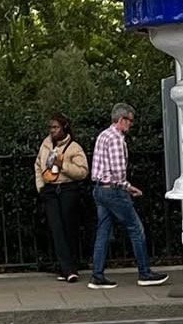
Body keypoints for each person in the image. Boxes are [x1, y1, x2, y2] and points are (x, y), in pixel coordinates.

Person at [88, 103, 168, 288]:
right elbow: (117, 172)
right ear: (122, 120)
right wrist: (127, 187)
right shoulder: (116, 138)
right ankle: (145, 273)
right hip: (113, 191)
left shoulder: (103, 135)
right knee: (136, 229)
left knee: (103, 231)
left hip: (99, 189)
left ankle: (97, 275)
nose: (131, 125)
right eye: (130, 121)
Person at [34, 113, 89, 282]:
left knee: (69, 228)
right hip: (50, 190)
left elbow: (83, 171)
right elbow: (37, 165)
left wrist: (62, 166)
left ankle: (69, 266)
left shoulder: (74, 147)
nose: (52, 131)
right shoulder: (45, 145)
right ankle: (67, 268)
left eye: (56, 127)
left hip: (67, 189)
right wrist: (41, 186)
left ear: (64, 127)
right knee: (56, 228)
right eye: (51, 127)